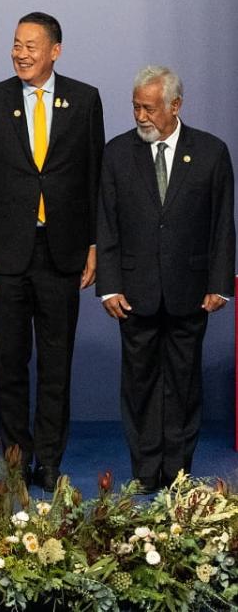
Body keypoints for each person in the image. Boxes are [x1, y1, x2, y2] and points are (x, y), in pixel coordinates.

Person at [0, 12, 103, 489]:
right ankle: (15, 457)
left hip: (62, 251)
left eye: (31, 46)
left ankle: (48, 458)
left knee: (55, 361)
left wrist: (93, 243)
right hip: (5, 253)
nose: (20, 53)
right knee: (10, 361)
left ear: (55, 51)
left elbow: (94, 178)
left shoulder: (85, 100)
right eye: (16, 44)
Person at [97, 66, 233, 490]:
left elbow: (222, 224)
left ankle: (177, 470)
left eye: (149, 108)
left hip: (190, 291)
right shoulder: (117, 152)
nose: (141, 115)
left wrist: (220, 283)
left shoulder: (211, 152)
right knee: (138, 384)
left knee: (183, 383)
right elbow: (107, 223)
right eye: (136, 106)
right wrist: (109, 284)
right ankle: (144, 470)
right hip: (134, 292)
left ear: (175, 106)